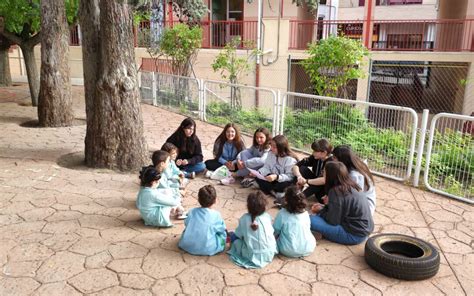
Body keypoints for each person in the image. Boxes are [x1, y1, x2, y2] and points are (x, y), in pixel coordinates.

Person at [310, 161, 374, 245]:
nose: (323, 174)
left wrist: (320, 210)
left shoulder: (336, 192)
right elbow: (342, 210)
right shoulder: (352, 185)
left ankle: (324, 233)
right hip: (363, 231)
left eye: (324, 172)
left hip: (353, 235)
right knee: (318, 217)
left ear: (330, 175)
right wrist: (325, 207)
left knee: (309, 219)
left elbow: (333, 221)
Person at [228, 191, 277, 269]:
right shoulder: (267, 217)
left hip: (253, 255)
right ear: (264, 206)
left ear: (248, 206)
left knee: (233, 237)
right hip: (270, 253)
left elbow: (239, 235)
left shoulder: (244, 218)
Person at [178, 185, 227, 256]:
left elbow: (186, 223)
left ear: (198, 200)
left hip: (187, 246)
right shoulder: (216, 215)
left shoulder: (192, 211)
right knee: (223, 237)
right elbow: (221, 230)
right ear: (215, 200)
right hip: (209, 248)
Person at [333, 145, 376, 215]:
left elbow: (356, 196)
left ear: (342, 160)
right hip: (358, 202)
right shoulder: (356, 164)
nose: (333, 159)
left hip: (365, 208)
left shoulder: (355, 175)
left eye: (334, 157)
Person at [273, 186, 316, 257]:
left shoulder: (282, 213)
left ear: (286, 200)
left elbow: (275, 231)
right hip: (308, 247)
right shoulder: (305, 213)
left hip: (288, 250)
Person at [255, 135, 298, 200]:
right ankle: (274, 192)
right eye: (271, 146)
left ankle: (271, 190)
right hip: (273, 179)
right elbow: (266, 167)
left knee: (282, 185)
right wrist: (258, 172)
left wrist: (277, 177)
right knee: (258, 177)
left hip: (283, 180)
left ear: (281, 148)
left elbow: (290, 177)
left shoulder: (290, 159)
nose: (271, 148)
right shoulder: (271, 154)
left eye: (274, 147)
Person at [293, 139, 334, 203]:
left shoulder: (331, 162)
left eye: (315, 151)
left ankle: (297, 198)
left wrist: (306, 181)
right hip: (316, 183)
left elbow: (324, 181)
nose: (313, 153)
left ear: (324, 153)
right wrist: (299, 177)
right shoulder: (315, 157)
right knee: (302, 169)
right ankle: (294, 192)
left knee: (319, 183)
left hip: (325, 191)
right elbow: (296, 166)